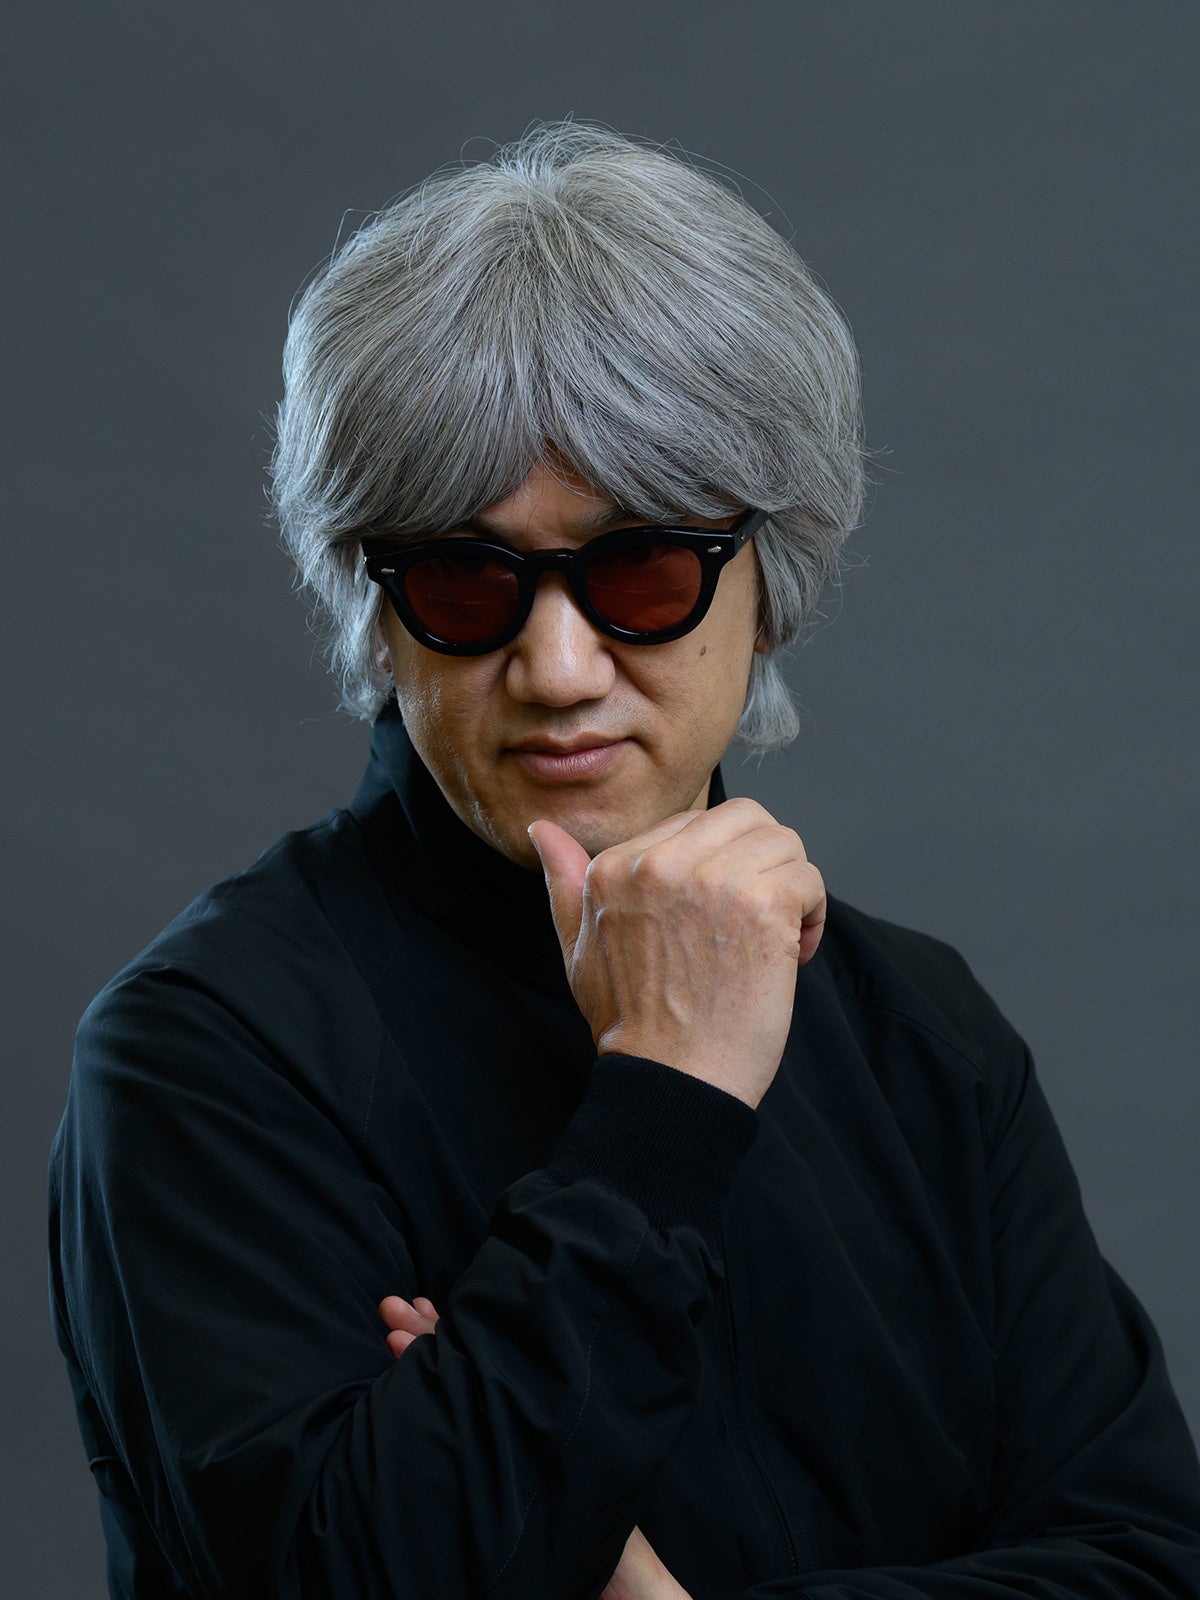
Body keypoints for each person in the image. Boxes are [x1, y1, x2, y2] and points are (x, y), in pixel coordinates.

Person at [47, 119, 1200, 1600]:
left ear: (770, 582)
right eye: (465, 580)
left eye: (642, 567)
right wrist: (666, 1096)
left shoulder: (927, 1036)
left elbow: (1148, 1565)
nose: (558, 668)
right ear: (377, 613)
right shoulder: (206, 1056)